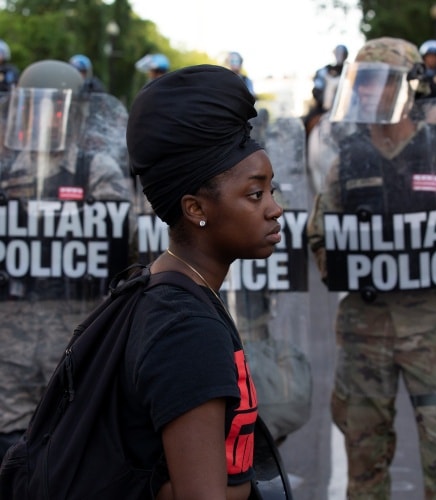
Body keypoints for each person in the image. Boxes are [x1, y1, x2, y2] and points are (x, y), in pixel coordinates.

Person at [307, 37, 436, 499]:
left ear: (412, 88)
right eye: (363, 83)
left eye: (380, 83)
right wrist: (353, 261)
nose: (369, 93)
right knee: (364, 469)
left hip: (435, 332)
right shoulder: (347, 159)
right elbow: (319, 235)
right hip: (364, 332)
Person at [125, 64, 284, 498]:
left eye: (273, 190)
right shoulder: (186, 329)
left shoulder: (167, 286)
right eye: (256, 194)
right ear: (196, 209)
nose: (275, 209)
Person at [0, 60, 131, 459]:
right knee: (10, 455)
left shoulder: (97, 172)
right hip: (9, 346)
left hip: (77, 344)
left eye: (55, 109)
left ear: (73, 114)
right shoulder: (4, 176)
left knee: (74, 454)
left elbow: (121, 254)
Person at [303, 44, 349, 135]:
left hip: (346, 109)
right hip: (323, 108)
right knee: (306, 124)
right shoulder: (323, 71)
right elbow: (317, 90)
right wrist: (325, 102)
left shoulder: (350, 71)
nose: (339, 56)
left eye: (342, 54)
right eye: (337, 53)